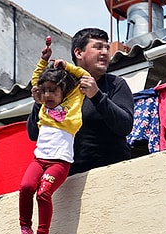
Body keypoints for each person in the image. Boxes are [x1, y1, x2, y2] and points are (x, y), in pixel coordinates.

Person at [27, 28, 134, 175]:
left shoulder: (116, 84)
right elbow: (34, 133)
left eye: (107, 48)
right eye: (97, 47)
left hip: (112, 174)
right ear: (78, 53)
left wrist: (97, 95)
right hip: (67, 180)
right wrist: (40, 103)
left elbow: (125, 126)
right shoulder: (60, 86)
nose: (104, 52)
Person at [20, 41, 90, 234]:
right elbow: (36, 80)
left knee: (43, 193)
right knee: (25, 187)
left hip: (60, 162)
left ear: (63, 91)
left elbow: (85, 76)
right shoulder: (42, 105)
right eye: (45, 91)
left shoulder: (74, 101)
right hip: (39, 159)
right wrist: (44, 59)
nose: (48, 95)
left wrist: (66, 66)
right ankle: (25, 228)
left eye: (53, 91)